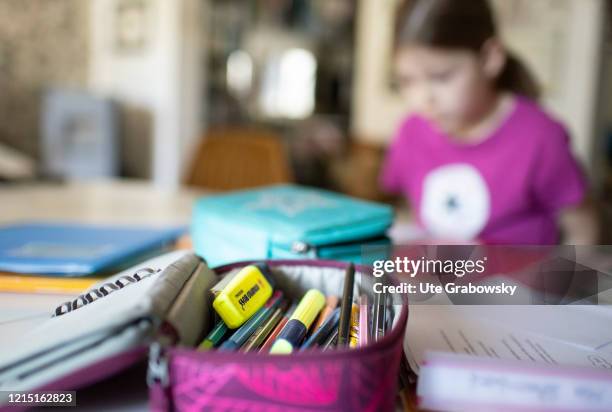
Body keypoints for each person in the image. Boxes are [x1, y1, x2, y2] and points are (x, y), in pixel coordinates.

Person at [381, 0, 598, 245]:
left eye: (441, 77)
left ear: (489, 59)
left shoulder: (540, 137)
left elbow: (582, 228)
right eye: (407, 81)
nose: (423, 99)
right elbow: (411, 213)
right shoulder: (412, 131)